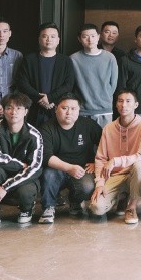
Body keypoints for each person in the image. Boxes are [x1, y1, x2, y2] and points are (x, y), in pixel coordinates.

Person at [0, 92, 44, 231]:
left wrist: (5, 187)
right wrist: (20, 165)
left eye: (18, 108)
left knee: (26, 192)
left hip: (25, 177)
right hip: (4, 172)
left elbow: (34, 168)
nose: (13, 112)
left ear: (26, 111)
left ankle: (27, 209)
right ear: (3, 110)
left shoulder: (35, 135)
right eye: (9, 108)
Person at [89, 89, 141, 224]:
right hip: (114, 176)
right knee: (96, 208)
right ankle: (121, 197)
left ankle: (131, 206)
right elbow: (100, 159)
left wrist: (116, 161)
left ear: (136, 105)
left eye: (128, 101)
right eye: (120, 101)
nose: (124, 105)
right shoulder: (108, 128)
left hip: (134, 174)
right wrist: (99, 184)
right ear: (116, 104)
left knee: (140, 166)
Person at [37, 93, 103, 224]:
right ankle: (48, 207)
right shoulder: (47, 128)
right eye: (64, 108)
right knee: (48, 174)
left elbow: (106, 146)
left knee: (88, 186)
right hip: (57, 169)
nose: (69, 112)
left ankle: (75, 201)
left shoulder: (88, 125)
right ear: (56, 109)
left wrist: (97, 163)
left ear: (79, 110)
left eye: (73, 109)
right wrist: (68, 168)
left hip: (83, 169)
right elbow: (45, 156)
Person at [15, 22, 75, 127]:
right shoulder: (29, 59)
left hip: (57, 107)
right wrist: (40, 98)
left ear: (58, 40)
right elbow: (22, 82)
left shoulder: (65, 61)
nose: (49, 39)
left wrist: (50, 98)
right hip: (34, 107)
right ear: (39, 39)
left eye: (52, 36)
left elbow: (68, 84)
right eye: (45, 36)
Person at [70, 23, 118, 127]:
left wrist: (104, 98)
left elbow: (113, 84)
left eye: (93, 36)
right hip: (82, 110)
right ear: (79, 39)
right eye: (85, 36)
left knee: (104, 137)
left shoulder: (110, 57)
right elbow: (71, 84)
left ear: (98, 37)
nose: (90, 39)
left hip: (104, 110)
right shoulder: (73, 59)